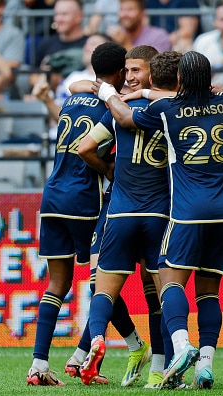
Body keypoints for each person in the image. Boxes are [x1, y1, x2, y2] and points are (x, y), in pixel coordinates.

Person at [91, 50, 223, 389]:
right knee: (209, 294)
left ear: (179, 80)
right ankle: (206, 366)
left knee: (170, 281)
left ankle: (181, 346)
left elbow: (125, 118)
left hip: (186, 212)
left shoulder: (168, 111)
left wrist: (110, 93)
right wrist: (217, 90)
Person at [27, 41, 142, 387]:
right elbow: (88, 150)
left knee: (57, 285)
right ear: (121, 72)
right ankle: (129, 345)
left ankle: (40, 365)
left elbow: (79, 88)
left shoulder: (72, 99)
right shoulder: (111, 108)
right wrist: (107, 168)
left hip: (52, 196)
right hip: (83, 199)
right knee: (101, 283)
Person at [78, 49, 183, 390]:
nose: (131, 76)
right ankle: (160, 369)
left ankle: (96, 339)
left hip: (120, 213)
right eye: (127, 70)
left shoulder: (121, 109)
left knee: (103, 289)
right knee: (162, 294)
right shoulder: (174, 111)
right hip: (159, 214)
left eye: (137, 70)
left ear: (154, 72)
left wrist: (111, 170)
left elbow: (84, 148)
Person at [106, 0, 172, 52]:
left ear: (142, 13)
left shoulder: (158, 36)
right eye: (122, 9)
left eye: (130, 10)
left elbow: (154, 65)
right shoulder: (113, 35)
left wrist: (125, 43)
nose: (124, 14)